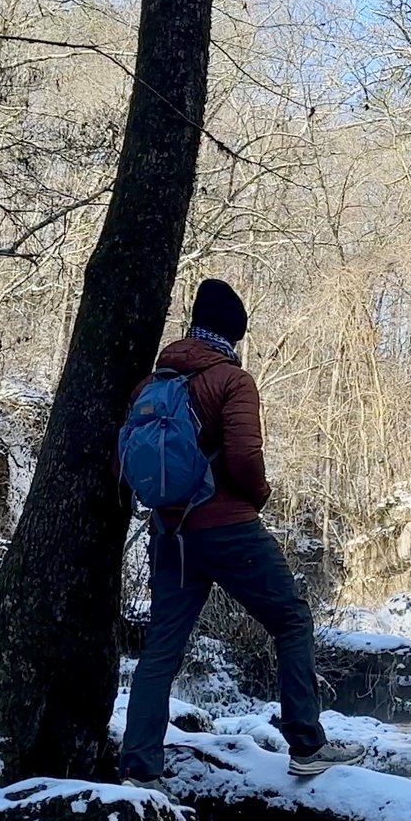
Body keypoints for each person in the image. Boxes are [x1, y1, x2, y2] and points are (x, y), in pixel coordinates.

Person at [116, 278, 364, 782]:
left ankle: (139, 766)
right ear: (235, 333)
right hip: (228, 529)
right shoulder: (231, 380)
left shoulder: (150, 384)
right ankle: (306, 745)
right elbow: (244, 455)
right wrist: (257, 497)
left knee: (162, 648)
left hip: (170, 536)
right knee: (291, 621)